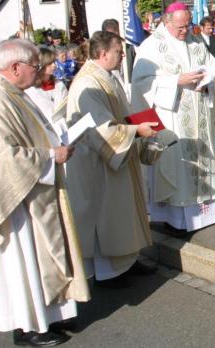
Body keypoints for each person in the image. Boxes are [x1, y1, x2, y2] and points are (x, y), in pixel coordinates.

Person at [0, 39, 89, 347]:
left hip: (32, 191)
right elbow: (3, 159)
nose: (41, 71)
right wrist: (50, 156)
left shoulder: (9, 92)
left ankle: (49, 313)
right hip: (14, 202)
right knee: (23, 262)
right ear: (15, 67)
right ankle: (27, 326)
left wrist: (55, 143)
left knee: (40, 259)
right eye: (35, 66)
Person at [66, 31, 159, 289]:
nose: (122, 56)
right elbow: (101, 128)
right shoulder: (88, 84)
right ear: (103, 53)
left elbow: (120, 114)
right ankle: (109, 272)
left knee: (123, 212)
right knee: (107, 216)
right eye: (118, 52)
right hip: (98, 162)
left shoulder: (107, 75)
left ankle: (128, 260)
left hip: (117, 155)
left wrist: (135, 124)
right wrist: (136, 131)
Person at [132, 5, 215, 233]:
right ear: (167, 22)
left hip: (199, 112)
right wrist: (176, 81)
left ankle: (205, 215)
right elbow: (141, 82)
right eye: (180, 27)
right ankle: (174, 219)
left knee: (202, 162)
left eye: (187, 25)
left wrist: (207, 84)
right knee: (176, 167)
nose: (185, 31)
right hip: (172, 115)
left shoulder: (195, 42)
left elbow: (213, 67)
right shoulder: (152, 46)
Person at [25, 47, 69, 127]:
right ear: (40, 66)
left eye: (54, 62)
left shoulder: (59, 85)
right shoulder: (31, 91)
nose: (54, 65)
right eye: (50, 63)